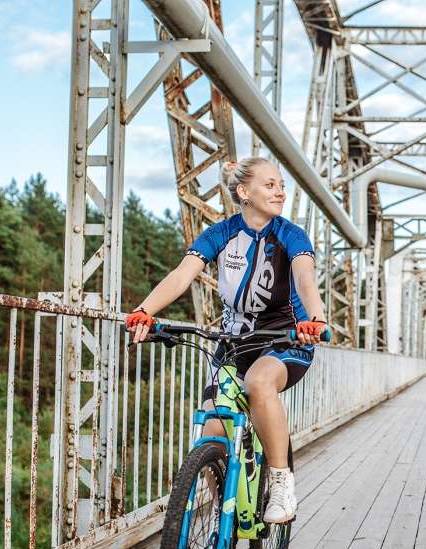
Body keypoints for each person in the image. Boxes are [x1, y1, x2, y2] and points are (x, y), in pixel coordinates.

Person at [125, 158, 327, 524]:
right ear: (244, 192)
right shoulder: (220, 234)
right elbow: (182, 275)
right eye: (270, 185)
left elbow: (304, 277)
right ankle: (227, 511)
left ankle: (281, 481)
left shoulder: (290, 234)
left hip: (286, 339)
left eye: (281, 184)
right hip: (234, 342)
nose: (280, 191)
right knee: (212, 431)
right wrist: (144, 311)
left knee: (258, 382)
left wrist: (315, 318)